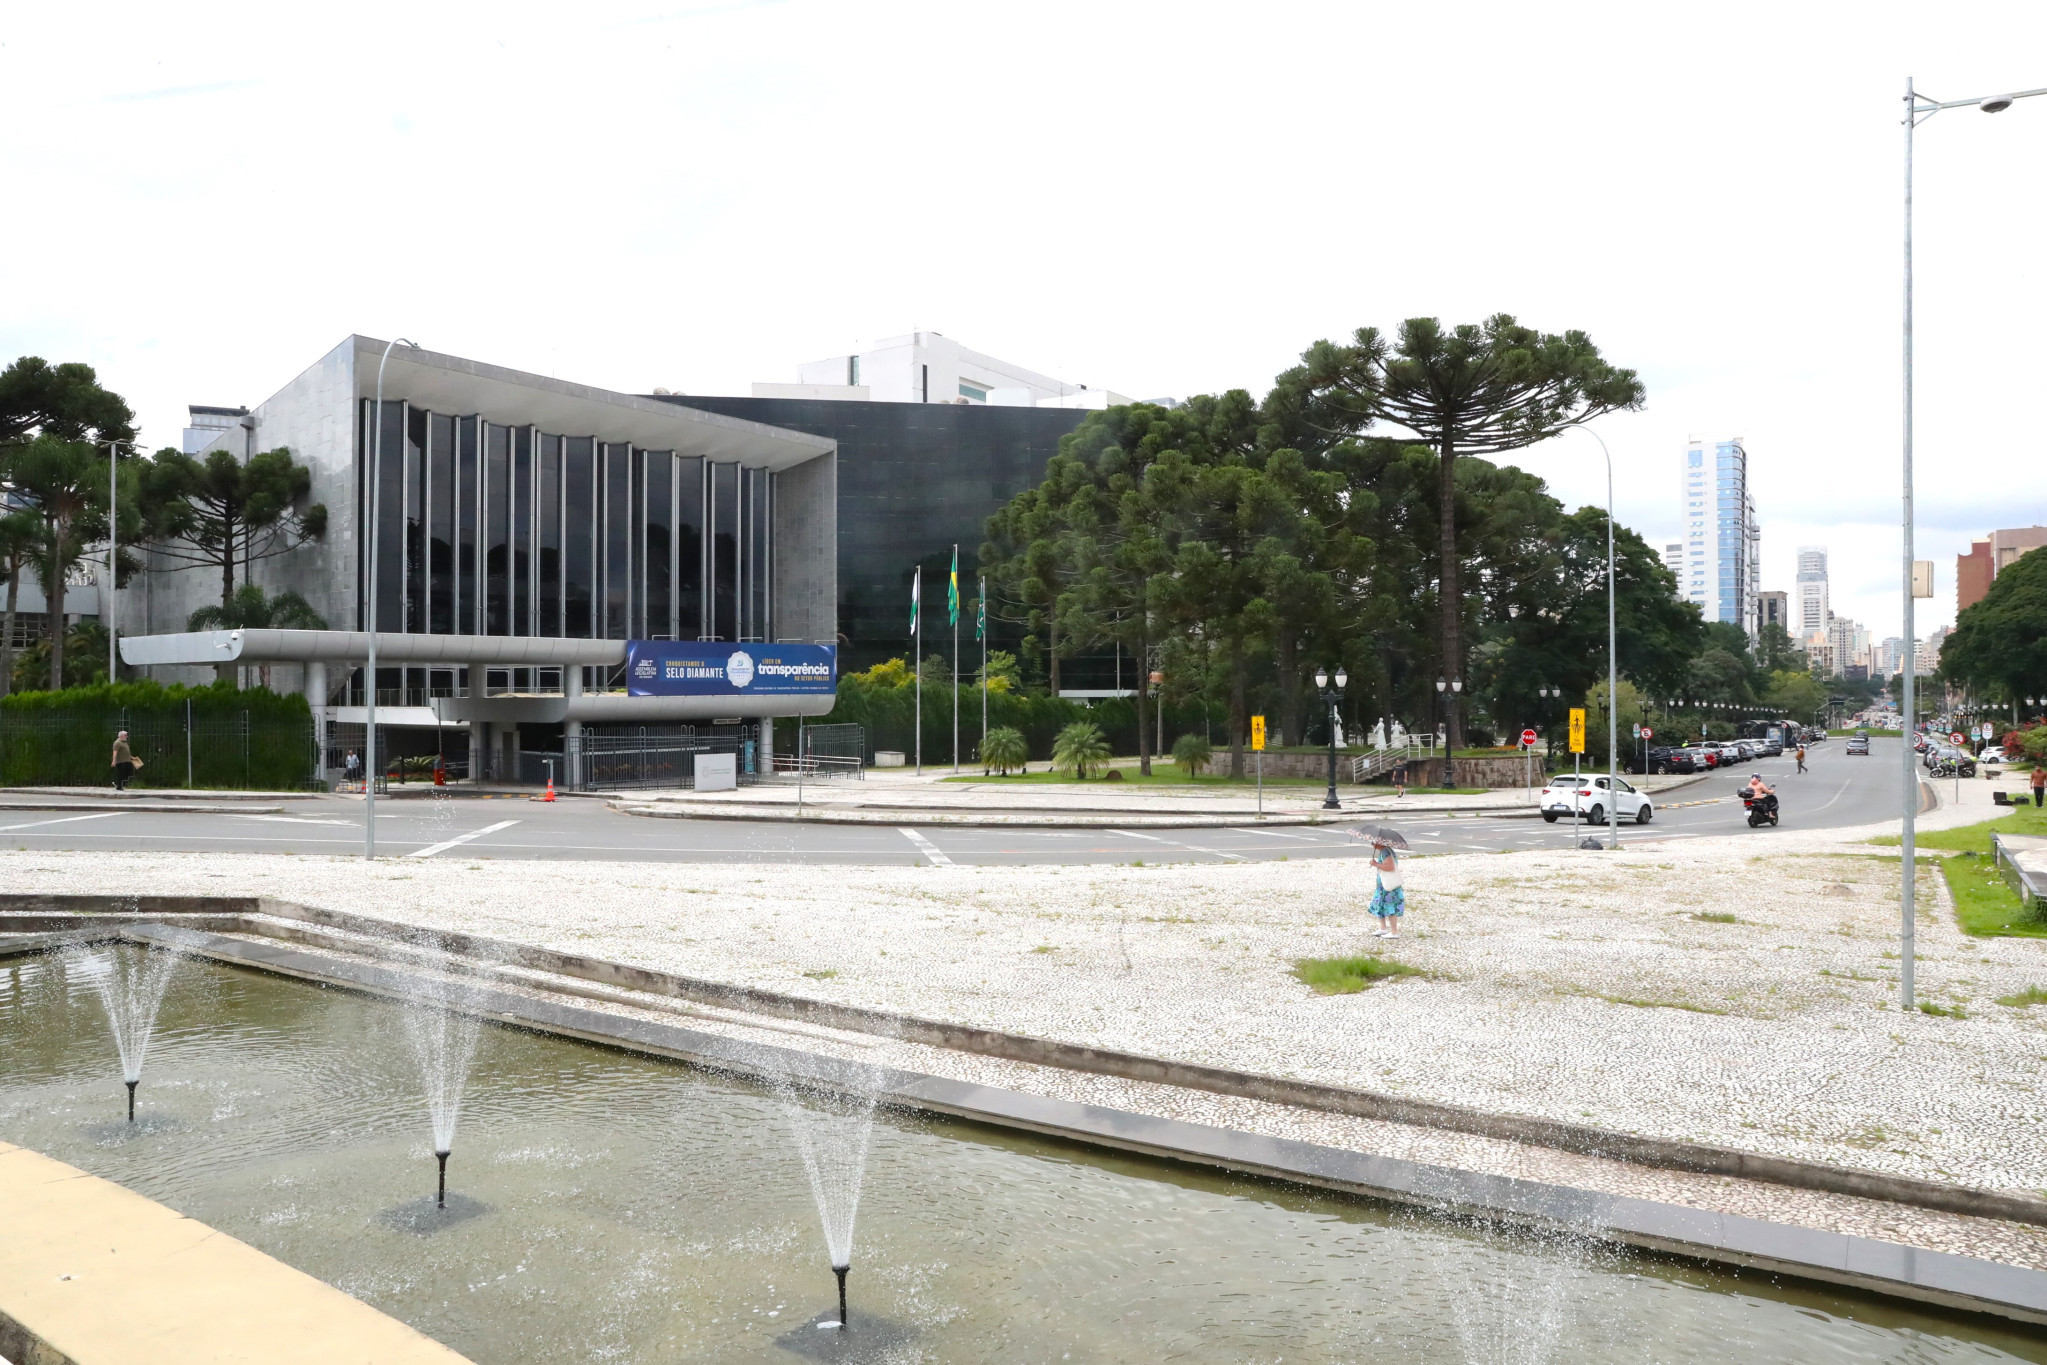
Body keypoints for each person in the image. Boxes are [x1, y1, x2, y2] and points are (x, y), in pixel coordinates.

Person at [1367, 839, 1405, 937]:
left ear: (1379, 843)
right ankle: (1383, 928)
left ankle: (1394, 932)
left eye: (1373, 842)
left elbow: (1390, 867)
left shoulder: (1385, 852)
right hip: (1383, 885)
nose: (1372, 844)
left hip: (1388, 886)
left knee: (1390, 906)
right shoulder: (1385, 851)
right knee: (1380, 904)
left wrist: (1375, 864)